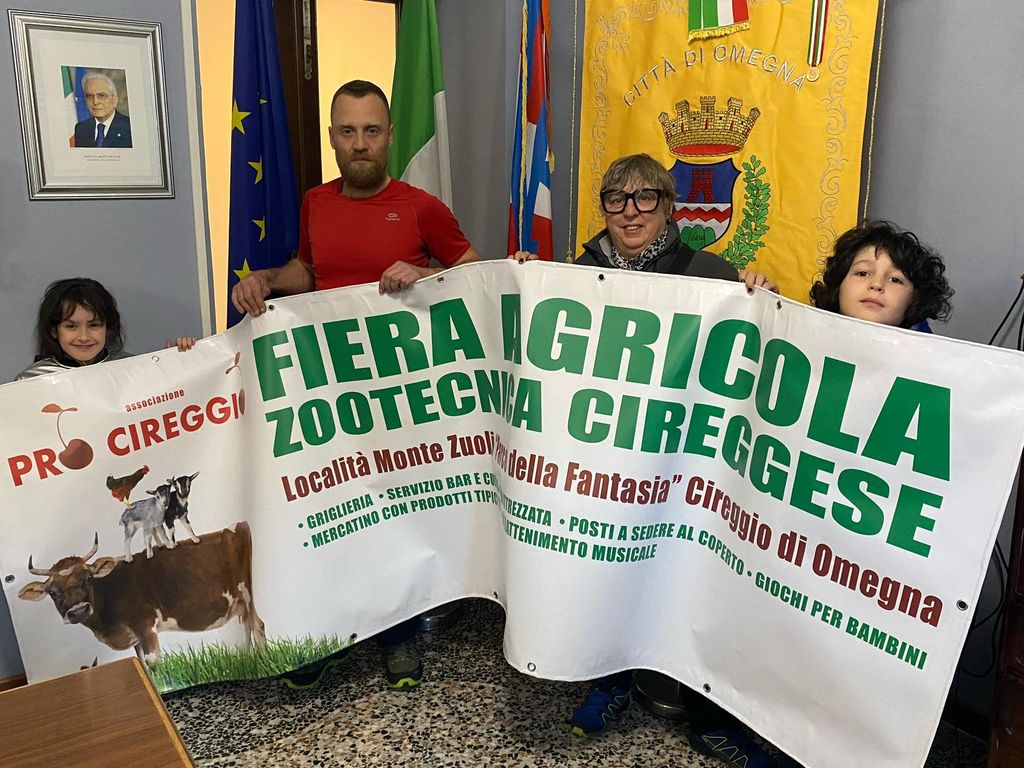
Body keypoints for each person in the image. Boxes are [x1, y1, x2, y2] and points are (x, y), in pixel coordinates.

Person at [515, 153, 783, 765]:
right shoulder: (578, 273)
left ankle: (707, 714)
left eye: (645, 198)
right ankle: (609, 683)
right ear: (604, 208)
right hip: (605, 460)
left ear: (668, 206)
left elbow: (750, 354)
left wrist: (762, 299)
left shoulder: (710, 273)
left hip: (680, 462)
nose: (630, 212)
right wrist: (527, 283)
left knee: (686, 579)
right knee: (607, 567)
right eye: (617, 199)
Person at [232, 79, 481, 691]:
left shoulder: (422, 207)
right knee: (327, 512)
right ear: (333, 138)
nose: (360, 143)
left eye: (371, 131)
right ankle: (327, 633)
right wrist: (266, 279)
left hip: (400, 392)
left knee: (394, 513)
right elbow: (310, 270)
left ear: (389, 136)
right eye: (348, 131)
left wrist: (424, 272)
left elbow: (477, 274)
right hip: (327, 390)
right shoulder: (316, 202)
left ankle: (399, 636)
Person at [16, 277, 193, 381]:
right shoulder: (30, 381)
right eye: (71, 326)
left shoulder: (132, 369)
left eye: (94, 325)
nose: (84, 337)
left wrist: (179, 363)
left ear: (108, 328)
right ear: (54, 330)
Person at [809, 219, 952, 330]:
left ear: (914, 300)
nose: (876, 285)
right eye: (863, 273)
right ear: (839, 285)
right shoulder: (801, 335)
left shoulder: (928, 357)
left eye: (895, 280)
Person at [73, 72, 132, 149]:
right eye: (89, 96)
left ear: (115, 100)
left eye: (101, 96)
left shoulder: (130, 127)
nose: (95, 102)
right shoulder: (81, 128)